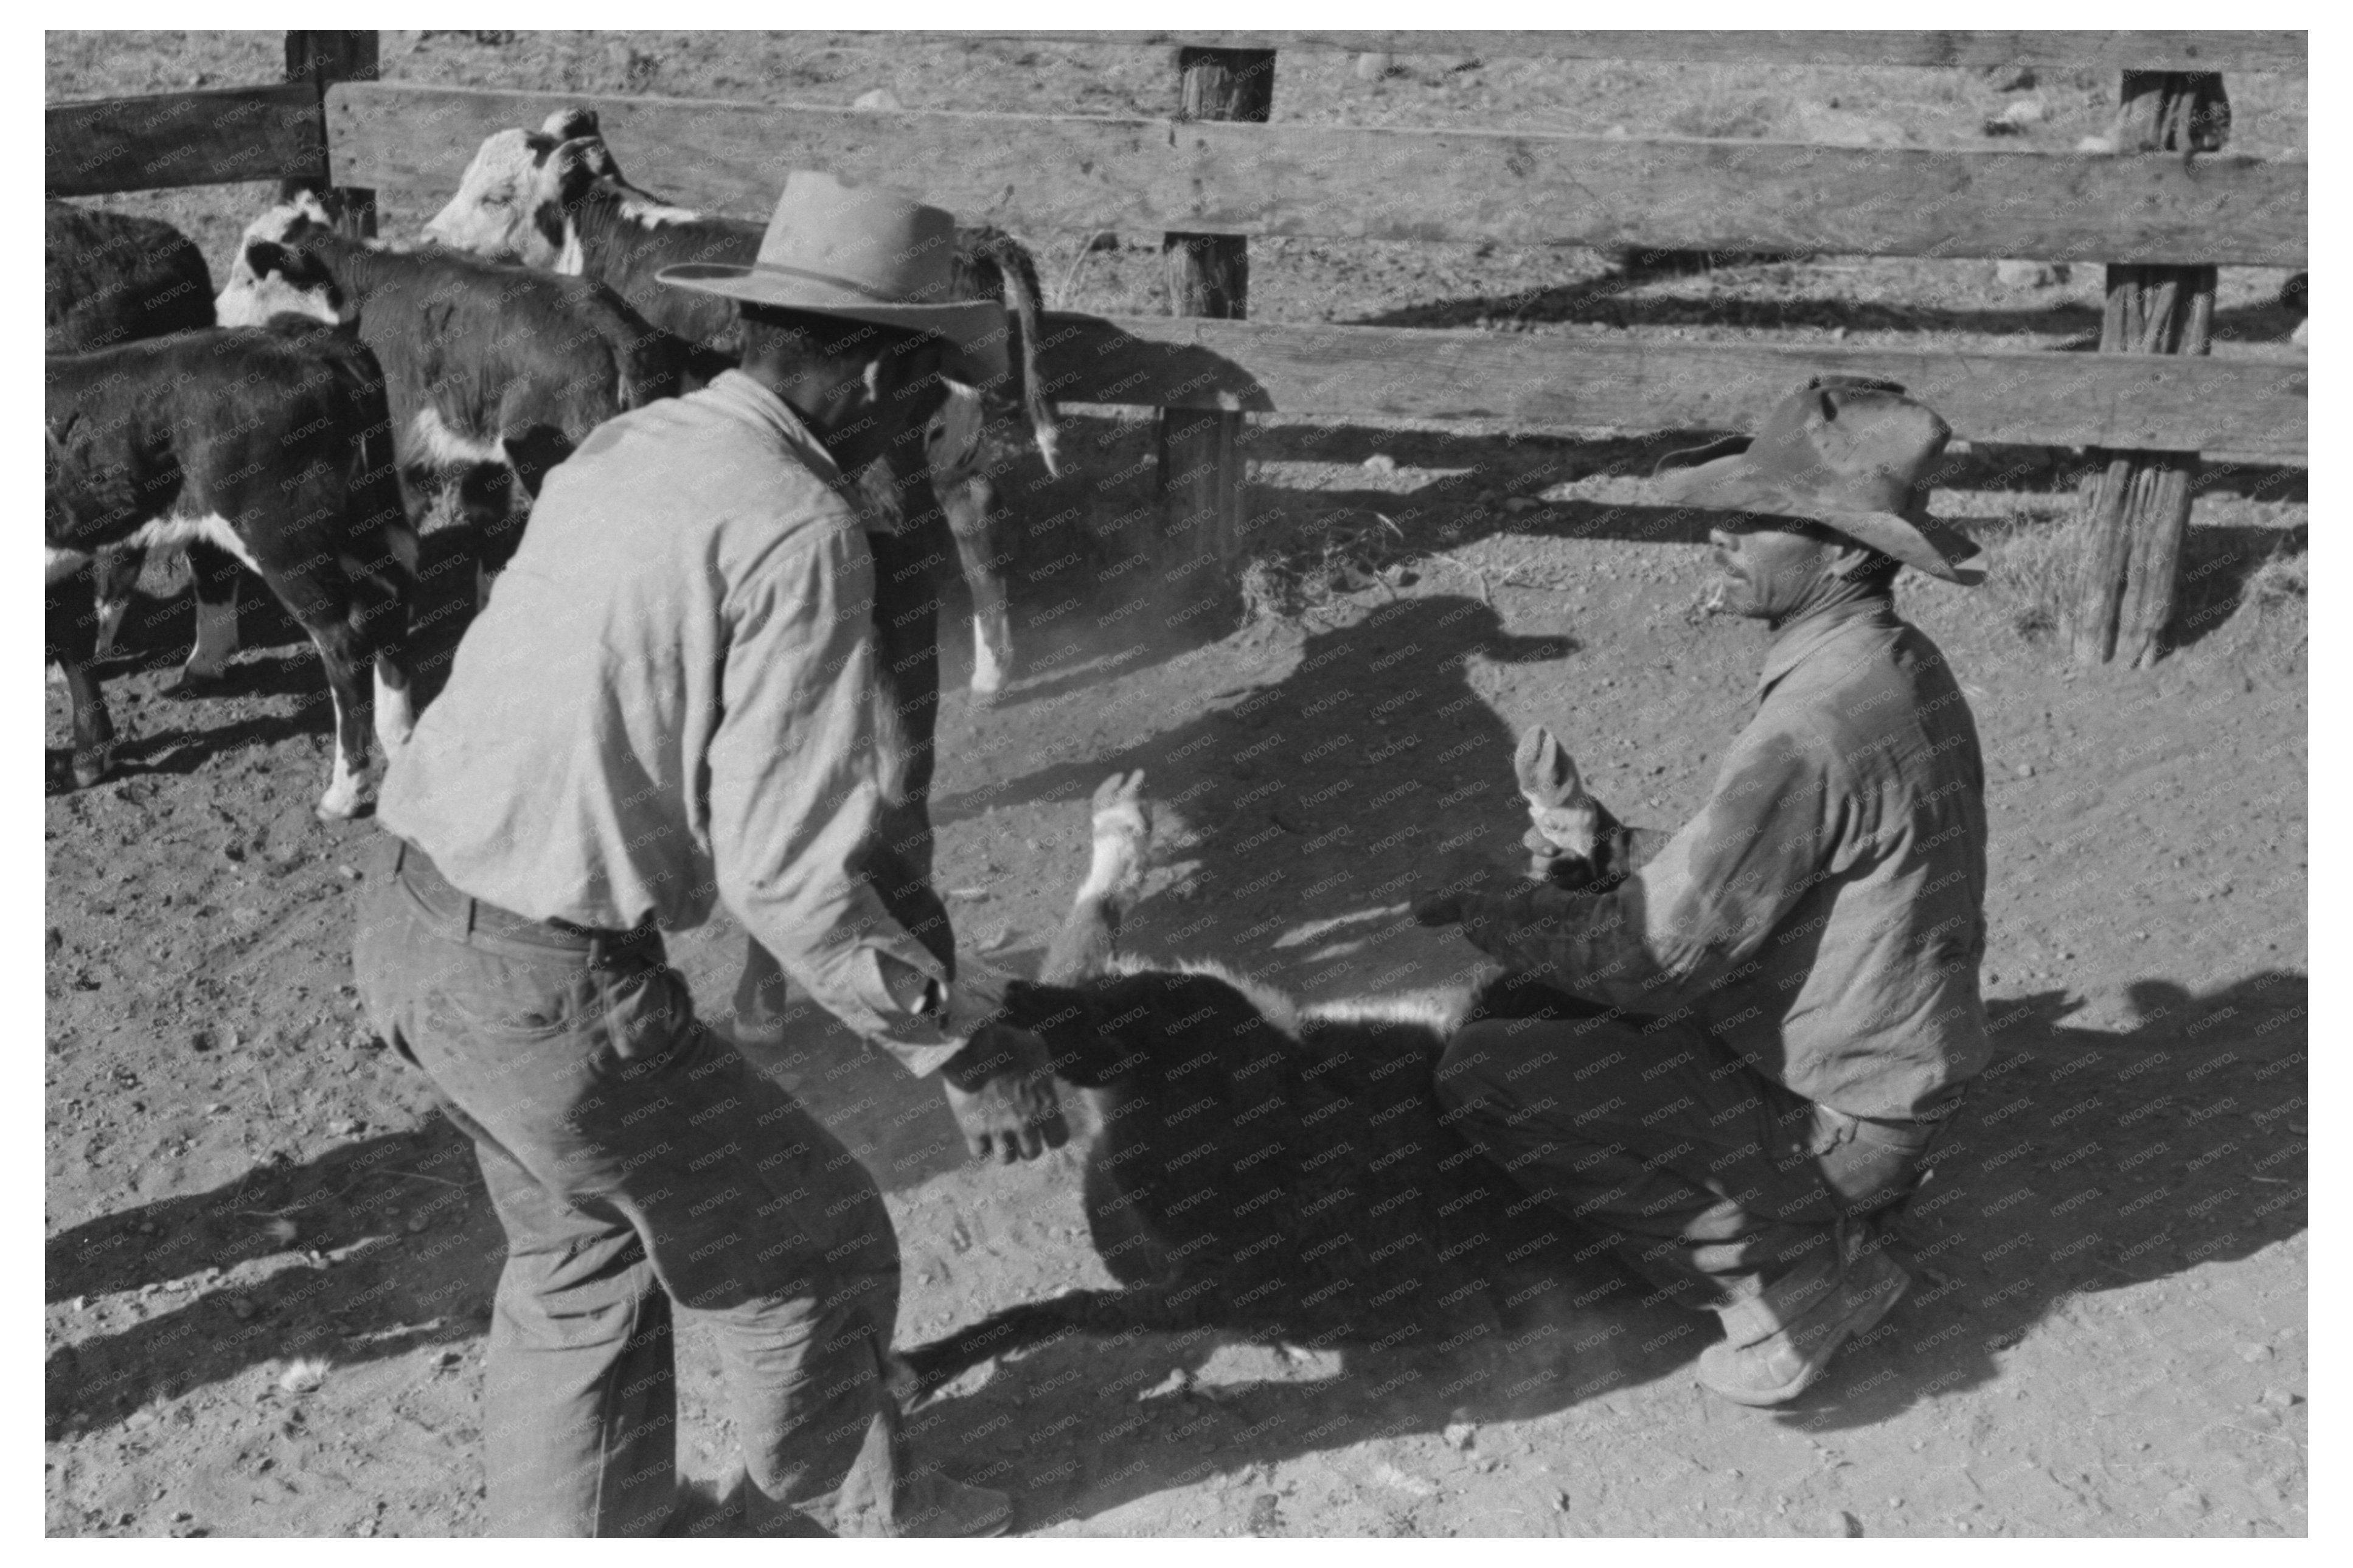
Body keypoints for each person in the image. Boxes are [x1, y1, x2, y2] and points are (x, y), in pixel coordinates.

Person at [352, 171, 1065, 1536]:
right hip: (547, 980)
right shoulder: (801, 528)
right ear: (864, 371)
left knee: (578, 1261)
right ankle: (850, 1517)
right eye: (927, 391)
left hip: (406, 917)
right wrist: (959, 1043)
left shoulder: (645, 439)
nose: (931, 423)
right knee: (815, 1240)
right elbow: (786, 869)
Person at [1414, 375, 1991, 1407]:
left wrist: (1488, 902)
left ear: (1845, 551)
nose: (1720, 535)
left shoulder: (1814, 728)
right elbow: (1764, 876)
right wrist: (1596, 837)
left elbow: (1647, 961)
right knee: (1572, 999)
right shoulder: (1886, 663)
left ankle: (1805, 1277)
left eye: (1759, 519)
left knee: (1489, 1071)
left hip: (1839, 1120)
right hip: (1882, 1088)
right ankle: (1817, 1208)